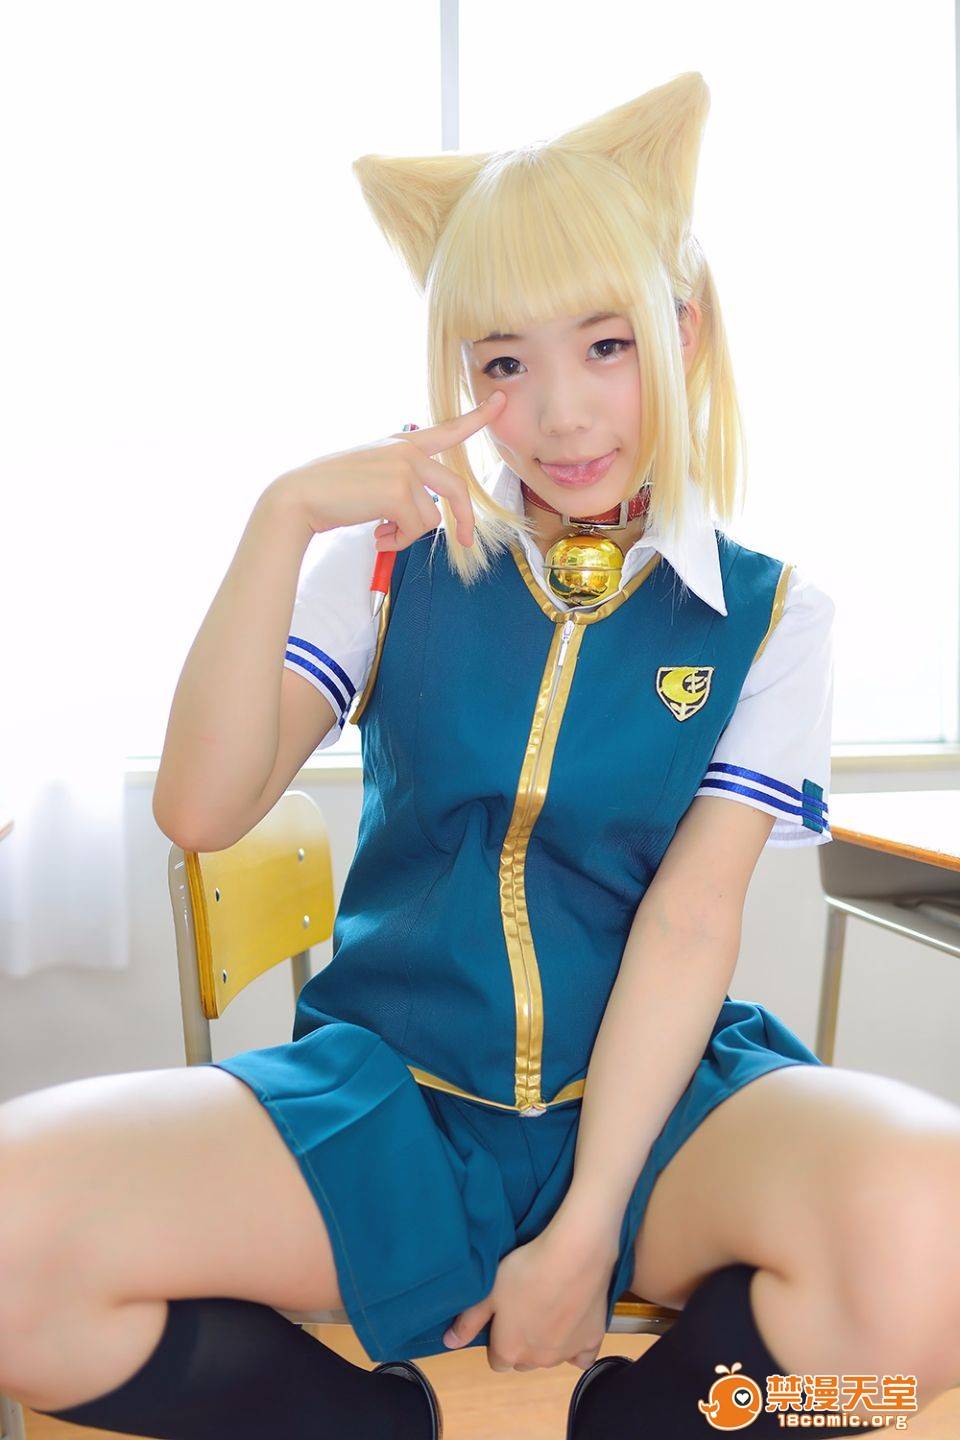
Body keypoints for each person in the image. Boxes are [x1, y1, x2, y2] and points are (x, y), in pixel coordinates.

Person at [4, 69, 960, 1440]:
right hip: (391, 1102)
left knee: (939, 1246)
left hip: (662, 1113)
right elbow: (201, 809)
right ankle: (383, 1430)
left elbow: (691, 923)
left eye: (607, 345)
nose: (562, 414)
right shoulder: (389, 562)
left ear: (684, 333)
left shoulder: (772, 615)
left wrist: (587, 1227)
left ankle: (647, 1427)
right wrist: (283, 515)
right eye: (505, 363)